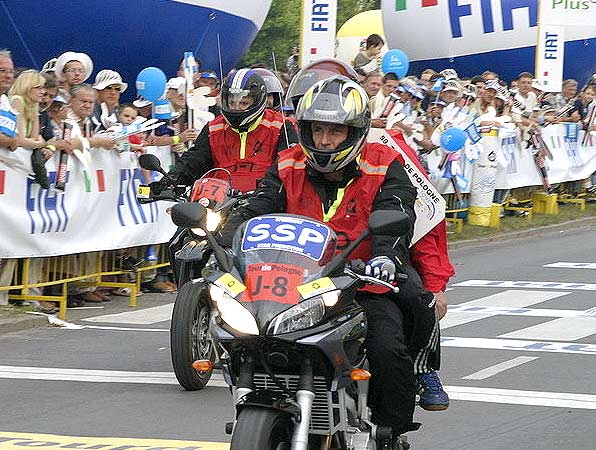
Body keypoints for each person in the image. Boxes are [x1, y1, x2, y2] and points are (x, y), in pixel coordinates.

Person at [218, 76, 436, 444]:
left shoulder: (385, 164)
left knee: (389, 341)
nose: (323, 140)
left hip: (362, 279)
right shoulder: (288, 163)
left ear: (354, 132)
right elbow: (259, 208)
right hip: (297, 281)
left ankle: (390, 426)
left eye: (334, 131)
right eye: (317, 130)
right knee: (242, 331)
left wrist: (385, 256)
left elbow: (396, 212)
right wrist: (224, 240)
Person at [150, 68, 298, 194]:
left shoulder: (281, 126)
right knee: (185, 224)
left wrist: (270, 190)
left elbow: (288, 168)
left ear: (259, 100)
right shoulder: (214, 127)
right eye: (232, 102)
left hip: (265, 202)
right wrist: (169, 180)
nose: (237, 107)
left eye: (244, 103)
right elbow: (195, 159)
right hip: (217, 201)